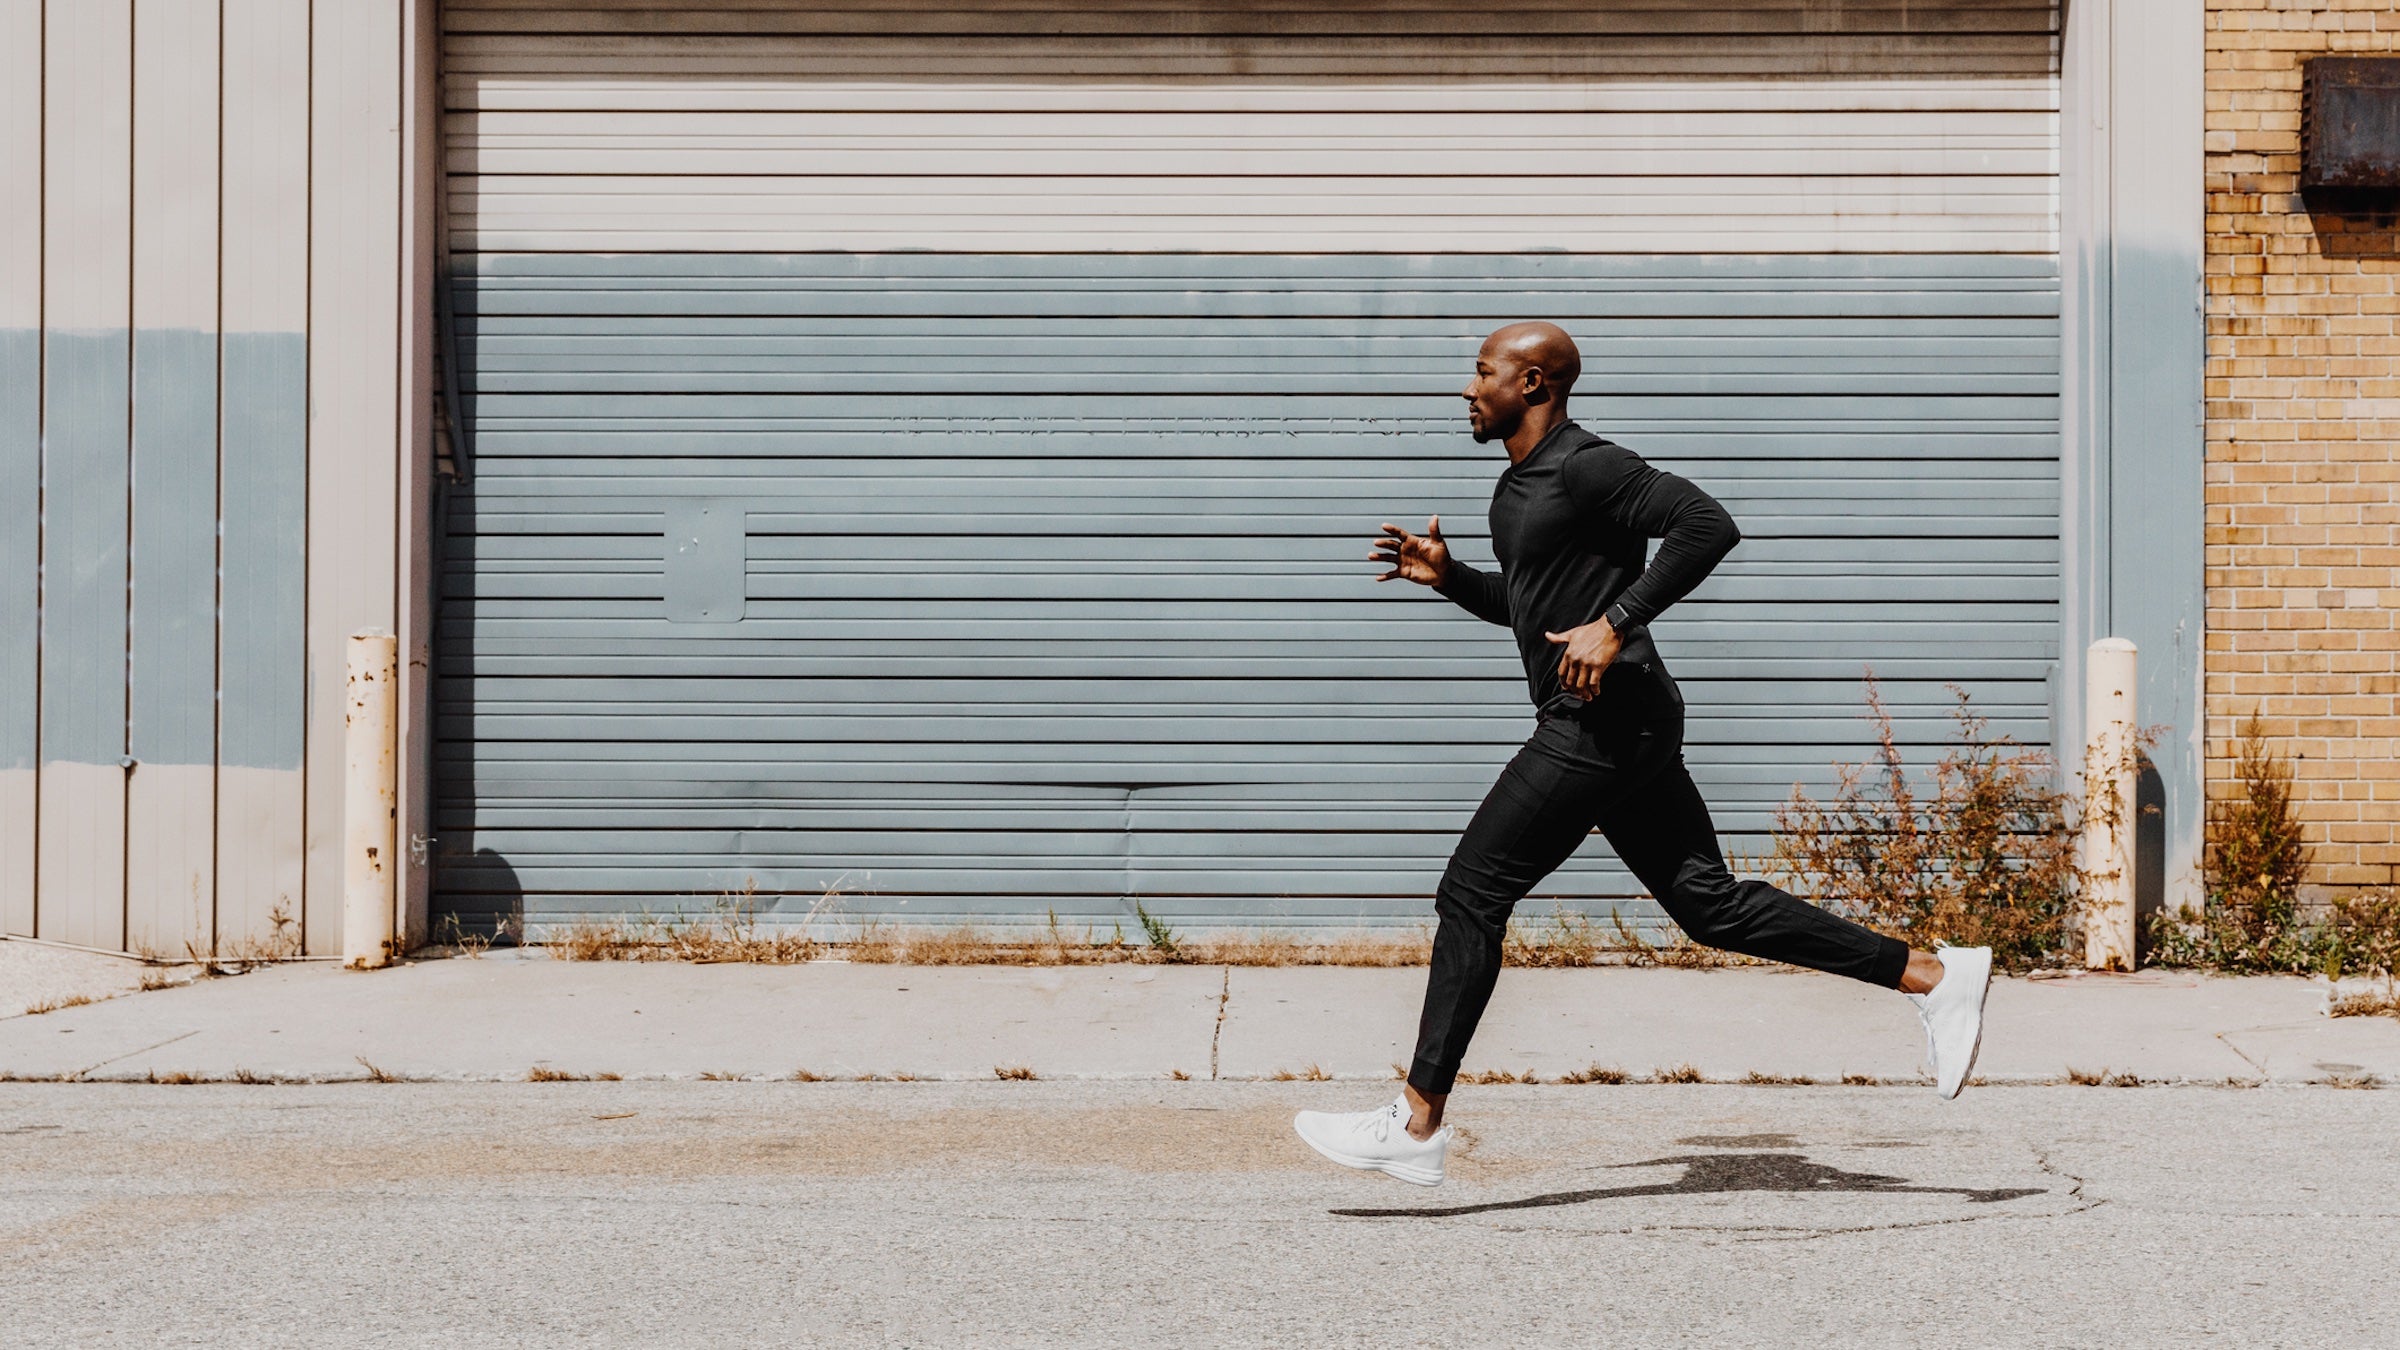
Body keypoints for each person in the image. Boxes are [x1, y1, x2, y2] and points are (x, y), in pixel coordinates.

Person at [1292, 322, 1992, 1188]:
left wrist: (1618, 624)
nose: (1466, 390)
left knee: (1471, 892)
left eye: (1482, 373)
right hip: (1627, 721)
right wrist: (1454, 578)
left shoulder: (1589, 465)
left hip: (1602, 724)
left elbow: (1706, 524)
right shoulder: (1517, 488)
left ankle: (1416, 1120)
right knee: (1711, 907)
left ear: (1534, 383)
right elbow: (1537, 603)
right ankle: (1931, 974)